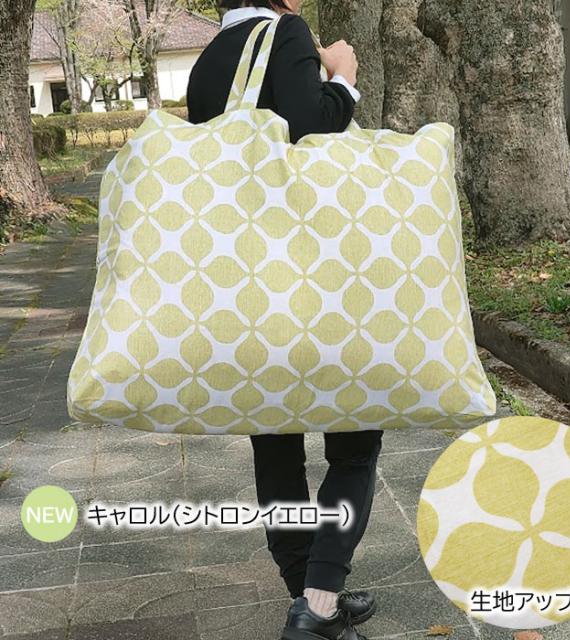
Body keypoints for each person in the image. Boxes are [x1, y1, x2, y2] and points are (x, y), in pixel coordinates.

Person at [186, 2, 384, 639]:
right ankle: (318, 604)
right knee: (355, 439)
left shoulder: (210, 58)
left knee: (275, 448)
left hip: (247, 295)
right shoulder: (285, 32)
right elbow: (311, 128)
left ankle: (306, 592)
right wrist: (343, 76)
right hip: (318, 282)